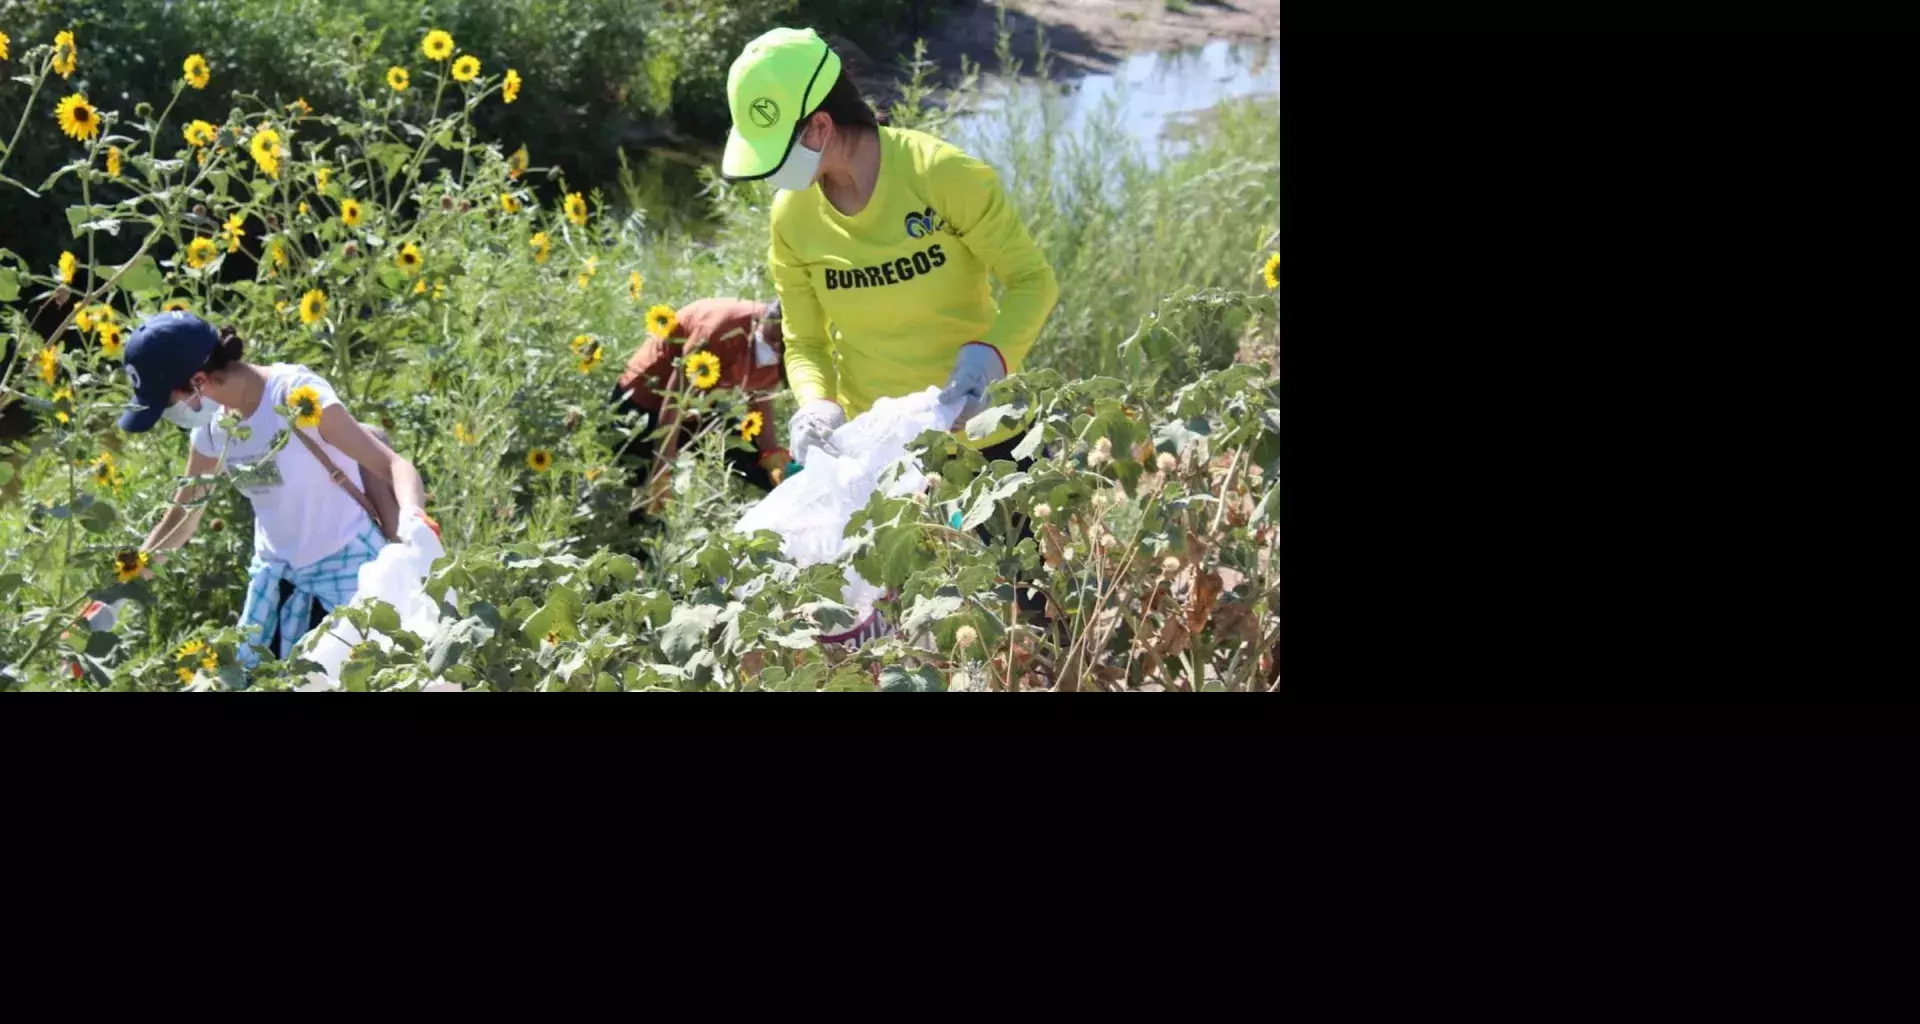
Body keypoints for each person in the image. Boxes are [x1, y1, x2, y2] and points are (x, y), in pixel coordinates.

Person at [718, 26, 1059, 468]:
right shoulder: (792, 216)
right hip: (881, 449)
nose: (770, 174)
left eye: (776, 153)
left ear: (821, 126)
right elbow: (805, 341)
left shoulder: (940, 174)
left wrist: (992, 358)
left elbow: (1033, 281)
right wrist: (815, 404)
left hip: (986, 430)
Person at [118, 311, 439, 671]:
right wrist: (116, 594)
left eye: (169, 404)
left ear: (198, 381)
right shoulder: (213, 431)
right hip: (276, 581)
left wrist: (413, 521)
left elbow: (392, 465)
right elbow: (181, 520)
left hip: (349, 573)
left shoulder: (295, 397)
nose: (172, 415)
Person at [609, 297, 791, 521]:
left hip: (697, 408)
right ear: (770, 322)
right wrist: (662, 471)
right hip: (644, 401)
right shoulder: (721, 329)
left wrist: (771, 455)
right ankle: (635, 546)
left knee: (759, 465)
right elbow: (675, 400)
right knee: (643, 496)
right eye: (774, 342)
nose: (775, 351)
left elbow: (761, 399)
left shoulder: (787, 346)